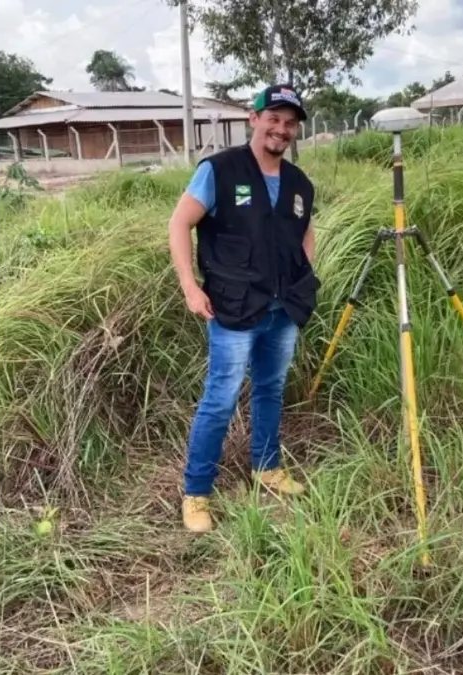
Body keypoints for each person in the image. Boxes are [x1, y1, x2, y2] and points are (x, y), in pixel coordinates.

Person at [166, 84, 321, 532]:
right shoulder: (220, 170)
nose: (281, 129)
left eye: (290, 123)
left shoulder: (298, 184)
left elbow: (304, 234)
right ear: (253, 120)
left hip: (283, 308)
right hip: (233, 307)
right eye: (273, 118)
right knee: (221, 397)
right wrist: (190, 287)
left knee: (271, 389)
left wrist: (302, 276)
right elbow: (180, 223)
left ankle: (266, 467)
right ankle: (196, 493)